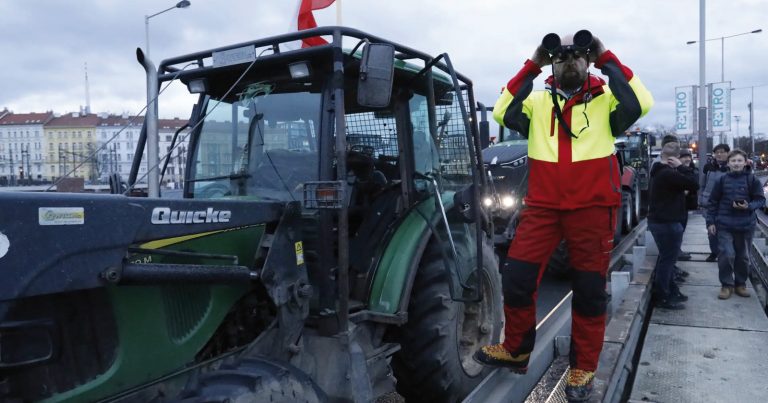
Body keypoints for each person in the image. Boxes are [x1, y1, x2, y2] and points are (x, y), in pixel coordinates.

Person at [473, 31, 653, 401]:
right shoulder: (538, 102)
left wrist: (605, 55)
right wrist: (533, 62)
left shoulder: (607, 99)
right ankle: (516, 348)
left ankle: (583, 367)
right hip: (543, 208)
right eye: (560, 57)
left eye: (577, 56)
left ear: (588, 60)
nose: (569, 61)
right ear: (551, 64)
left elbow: (641, 102)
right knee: (517, 277)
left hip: (592, 209)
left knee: (588, 291)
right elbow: (502, 111)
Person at [706, 149, 765, 299]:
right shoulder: (721, 180)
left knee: (743, 257)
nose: (736, 163)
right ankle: (726, 285)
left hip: (746, 225)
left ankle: (740, 284)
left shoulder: (752, 180)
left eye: (739, 160)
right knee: (726, 254)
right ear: (728, 163)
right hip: (724, 224)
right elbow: (712, 202)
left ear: (745, 163)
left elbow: (760, 199)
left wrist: (748, 206)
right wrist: (710, 222)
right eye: (733, 161)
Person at [647, 142, 699, 309]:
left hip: (660, 221)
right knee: (667, 261)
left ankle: (671, 290)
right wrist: (682, 167)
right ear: (675, 158)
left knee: (666, 259)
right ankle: (663, 296)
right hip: (667, 223)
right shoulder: (668, 173)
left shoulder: (658, 171)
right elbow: (694, 184)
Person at [700, 143, 731, 262]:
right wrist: (701, 199)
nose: (719, 154)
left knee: (725, 232)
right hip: (709, 204)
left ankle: (725, 253)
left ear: (728, 153)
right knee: (711, 231)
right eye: (717, 152)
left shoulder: (732, 167)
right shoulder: (708, 167)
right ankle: (714, 252)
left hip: (726, 205)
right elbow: (703, 185)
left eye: (722, 152)